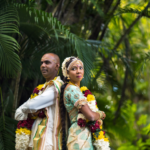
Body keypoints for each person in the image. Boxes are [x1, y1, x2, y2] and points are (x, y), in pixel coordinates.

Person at [15, 53, 63, 150]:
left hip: (48, 143)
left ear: (57, 66)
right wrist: (30, 114)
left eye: (47, 62)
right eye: (41, 63)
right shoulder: (41, 89)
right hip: (35, 141)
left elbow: (31, 105)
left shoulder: (57, 87)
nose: (43, 65)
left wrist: (27, 110)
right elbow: (17, 114)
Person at [60, 56, 106, 150]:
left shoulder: (74, 89)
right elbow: (91, 116)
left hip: (79, 134)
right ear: (67, 73)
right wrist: (101, 114)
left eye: (80, 68)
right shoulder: (73, 89)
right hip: (80, 136)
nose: (78, 71)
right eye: (74, 69)